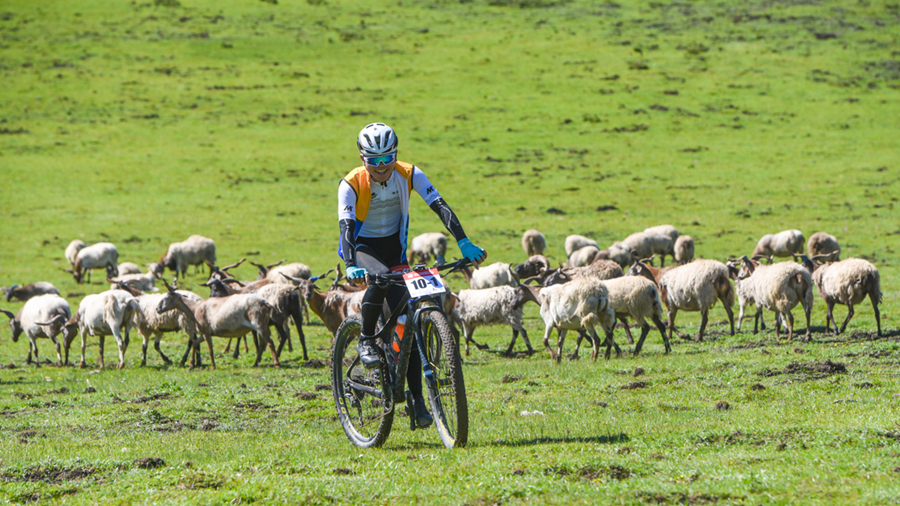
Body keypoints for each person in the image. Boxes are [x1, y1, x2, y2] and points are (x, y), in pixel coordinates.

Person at [337, 122, 487, 428]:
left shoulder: (409, 173)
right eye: (373, 161)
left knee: (409, 320)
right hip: (364, 249)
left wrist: (463, 240)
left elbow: (439, 205)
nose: (381, 167)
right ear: (362, 157)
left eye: (387, 159)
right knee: (378, 279)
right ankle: (366, 339)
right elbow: (346, 229)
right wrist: (351, 261)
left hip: (396, 251)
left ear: (395, 154)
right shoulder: (351, 184)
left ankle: (418, 401)